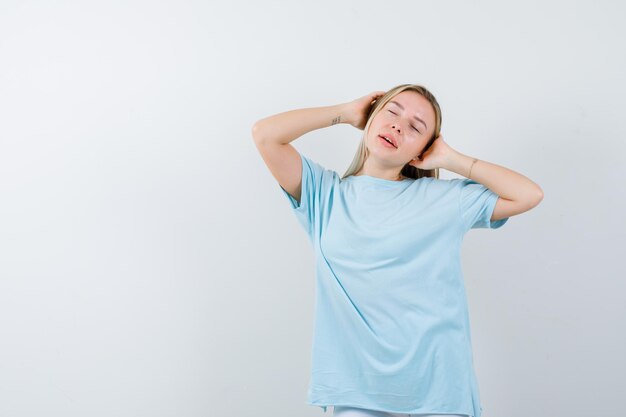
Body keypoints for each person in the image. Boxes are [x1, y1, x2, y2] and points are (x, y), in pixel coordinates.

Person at [251, 84, 543, 417]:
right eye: (392, 112)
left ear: (423, 149)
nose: (398, 126)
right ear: (372, 117)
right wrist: (346, 112)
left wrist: (451, 159)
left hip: (439, 389)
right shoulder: (325, 195)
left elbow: (528, 195)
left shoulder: (442, 199)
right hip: (358, 392)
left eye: (416, 127)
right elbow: (265, 135)